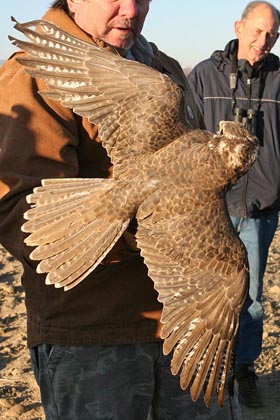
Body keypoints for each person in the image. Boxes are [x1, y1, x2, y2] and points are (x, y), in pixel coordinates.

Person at [0, 1, 243, 419]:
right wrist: (154, 228)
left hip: (177, 331)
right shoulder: (32, 70)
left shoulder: (161, 68)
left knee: (232, 276)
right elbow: (18, 212)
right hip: (92, 333)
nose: (130, 8)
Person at [187, 0, 280, 409]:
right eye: (257, 31)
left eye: (273, 34)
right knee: (205, 291)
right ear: (239, 27)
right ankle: (209, 367)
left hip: (261, 207)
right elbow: (185, 138)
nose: (264, 41)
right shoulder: (204, 75)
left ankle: (243, 368)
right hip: (211, 209)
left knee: (252, 297)